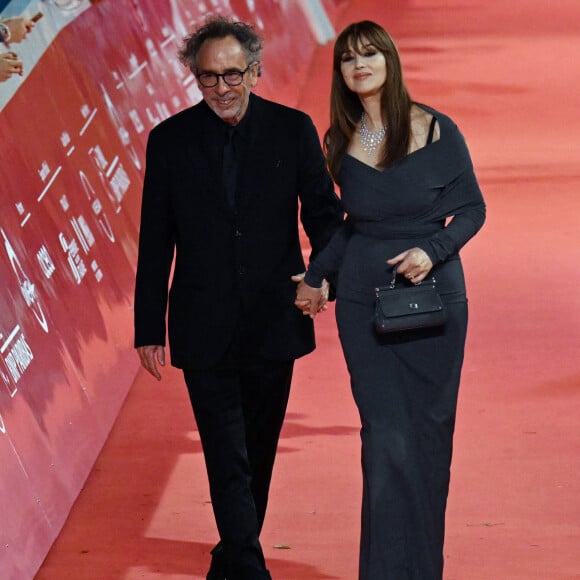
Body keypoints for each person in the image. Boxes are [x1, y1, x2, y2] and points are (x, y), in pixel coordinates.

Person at [133, 15, 343, 580]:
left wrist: (325, 277)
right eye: (208, 78)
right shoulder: (170, 140)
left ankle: (233, 551)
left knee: (259, 448)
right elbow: (157, 238)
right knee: (224, 451)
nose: (221, 89)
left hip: (275, 318)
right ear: (192, 79)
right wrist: (149, 325)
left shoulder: (292, 129)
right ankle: (248, 566)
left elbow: (323, 214)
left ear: (255, 70)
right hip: (202, 321)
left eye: (232, 75)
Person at [295, 20, 486, 580]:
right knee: (383, 437)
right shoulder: (338, 140)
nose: (360, 65)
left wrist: (433, 248)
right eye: (349, 58)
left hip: (435, 301)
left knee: (428, 435)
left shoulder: (434, 128)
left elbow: (472, 208)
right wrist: (315, 276)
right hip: (363, 302)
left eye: (370, 54)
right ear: (342, 74)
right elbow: (349, 225)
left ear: (389, 60)